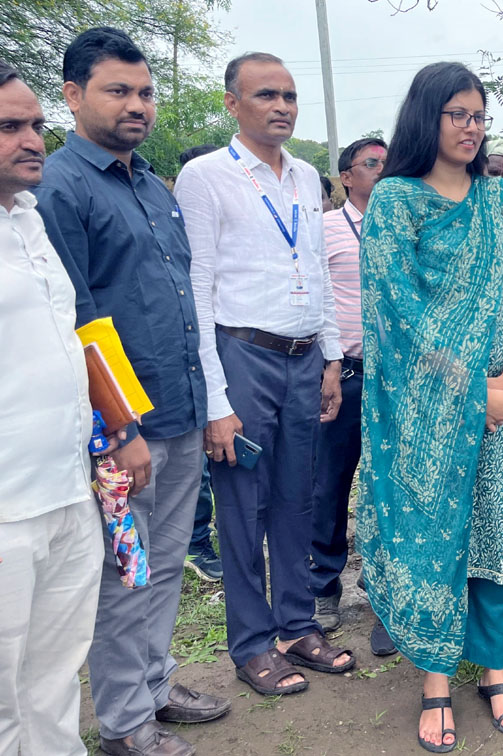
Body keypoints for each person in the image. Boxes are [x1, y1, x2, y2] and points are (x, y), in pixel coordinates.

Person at [34, 28, 230, 756]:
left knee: (166, 565)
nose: (137, 105)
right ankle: (123, 723)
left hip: (179, 413)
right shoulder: (60, 188)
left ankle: (155, 685)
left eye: (145, 92)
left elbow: (180, 300)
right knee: (126, 574)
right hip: (121, 434)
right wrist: (119, 429)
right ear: (72, 95)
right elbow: (77, 319)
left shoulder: (151, 184)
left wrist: (206, 405)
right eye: (118, 91)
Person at [357, 62, 503, 753]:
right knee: (432, 537)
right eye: (457, 114)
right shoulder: (395, 201)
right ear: (426, 117)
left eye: (479, 115)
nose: (472, 127)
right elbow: (399, 317)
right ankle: (436, 680)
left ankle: (495, 672)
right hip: (427, 413)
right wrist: (474, 393)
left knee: (497, 537)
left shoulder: (502, 202)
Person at [175, 52, 354, 699]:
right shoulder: (205, 177)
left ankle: (297, 626)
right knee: (243, 505)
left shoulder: (304, 176)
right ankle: (252, 643)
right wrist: (216, 400)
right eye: (266, 95)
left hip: (304, 358)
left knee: (297, 496)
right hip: (242, 355)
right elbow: (197, 290)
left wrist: (330, 358)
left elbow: (318, 273)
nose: (282, 106)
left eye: (290, 95)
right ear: (232, 104)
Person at [0, 59, 107, 756]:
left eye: (36, 124)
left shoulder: (30, 218)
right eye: (10, 127)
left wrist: (108, 434)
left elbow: (69, 342)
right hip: (7, 507)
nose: (33, 140)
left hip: (68, 490)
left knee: (54, 676)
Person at [309, 136, 395, 657]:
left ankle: (385, 594)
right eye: (371, 163)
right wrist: (327, 363)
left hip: (396, 380)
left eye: (387, 163)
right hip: (344, 375)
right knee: (330, 485)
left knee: (388, 489)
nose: (382, 170)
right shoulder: (324, 229)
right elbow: (316, 298)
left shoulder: (403, 228)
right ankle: (324, 586)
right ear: (346, 177)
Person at [178, 142, 223, 583]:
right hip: (187, 353)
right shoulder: (179, 214)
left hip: (215, 347)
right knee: (199, 462)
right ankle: (195, 542)